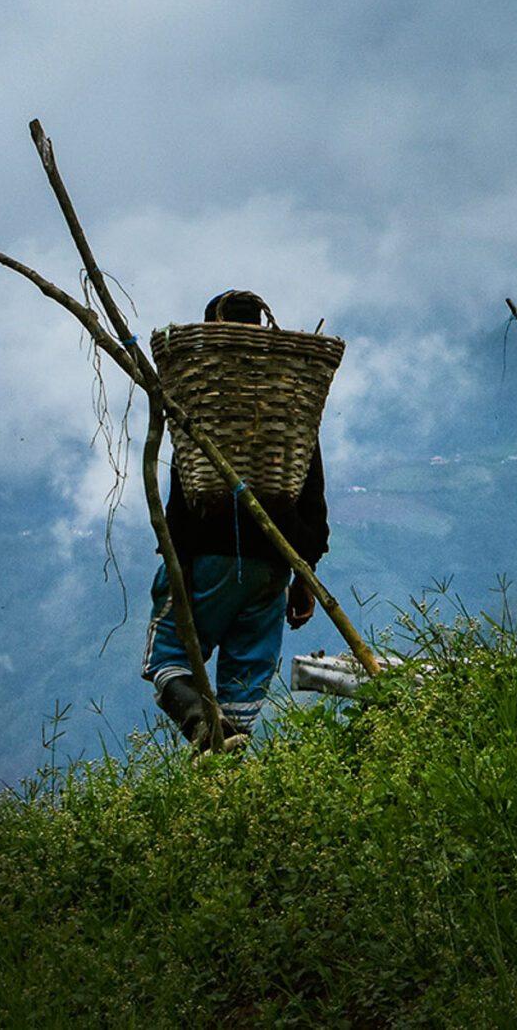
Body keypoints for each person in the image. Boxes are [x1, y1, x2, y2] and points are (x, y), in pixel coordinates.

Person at [140, 289, 330, 750]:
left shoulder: (200, 401)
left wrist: (177, 568)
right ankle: (226, 766)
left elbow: (181, 505)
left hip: (204, 559)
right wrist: (304, 580)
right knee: (244, 685)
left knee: (167, 661)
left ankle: (203, 727)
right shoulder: (292, 412)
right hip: (271, 567)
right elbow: (312, 505)